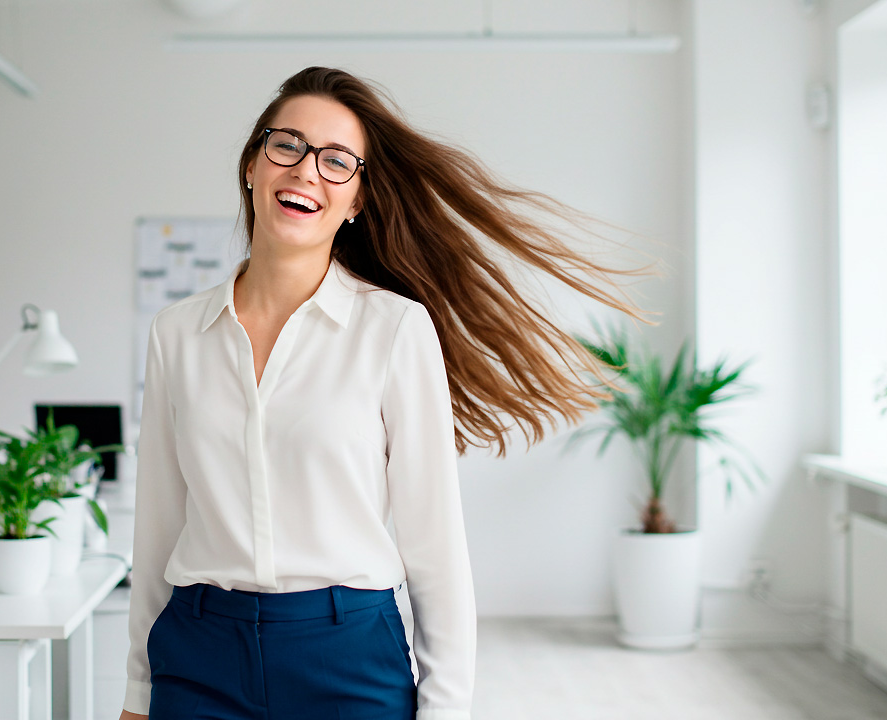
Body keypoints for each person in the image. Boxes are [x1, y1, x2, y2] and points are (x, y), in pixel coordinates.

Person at [120, 66, 643, 720]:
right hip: (199, 653)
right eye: (287, 145)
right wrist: (139, 692)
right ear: (253, 162)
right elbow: (158, 526)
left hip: (346, 656)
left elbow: (435, 544)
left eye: (337, 161)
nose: (307, 170)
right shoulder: (178, 332)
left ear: (358, 200)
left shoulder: (394, 328)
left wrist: (446, 710)